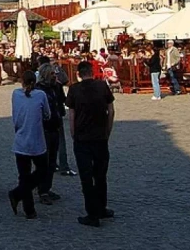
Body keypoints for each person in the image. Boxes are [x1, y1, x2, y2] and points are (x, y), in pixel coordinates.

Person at [66, 60, 115, 228]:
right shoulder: (102, 86)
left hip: (82, 138)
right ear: (92, 72)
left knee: (86, 177)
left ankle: (92, 214)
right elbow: (111, 110)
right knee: (100, 175)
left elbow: (71, 115)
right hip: (101, 137)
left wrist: (73, 133)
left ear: (79, 74)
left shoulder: (74, 90)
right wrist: (108, 130)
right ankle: (101, 207)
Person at [7, 70, 51, 219]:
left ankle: (28, 209)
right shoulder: (41, 95)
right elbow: (47, 114)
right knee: (43, 170)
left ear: (22, 81)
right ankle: (18, 195)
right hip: (37, 141)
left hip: (20, 140)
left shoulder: (15, 94)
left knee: (24, 176)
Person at [35, 64, 65, 204]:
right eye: (52, 73)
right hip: (44, 129)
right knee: (44, 161)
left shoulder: (56, 87)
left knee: (52, 161)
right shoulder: (39, 90)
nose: (55, 75)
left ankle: (47, 187)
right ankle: (42, 190)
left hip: (55, 126)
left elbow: (61, 101)